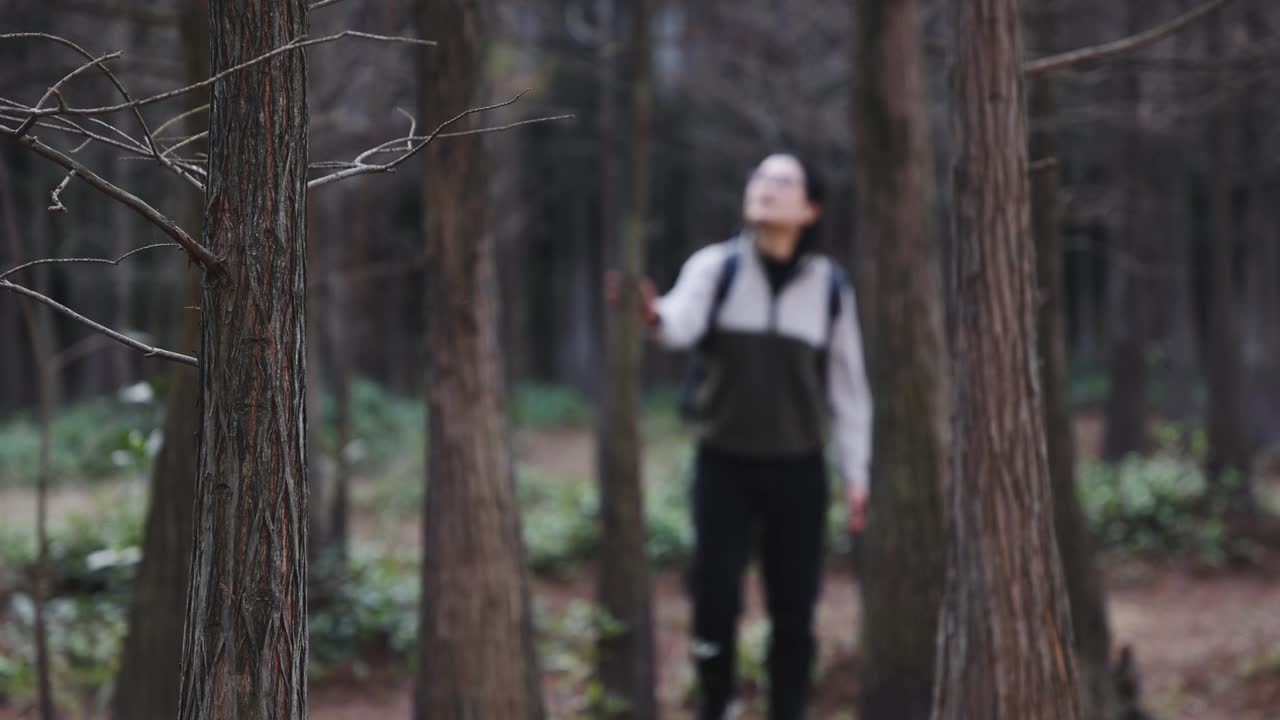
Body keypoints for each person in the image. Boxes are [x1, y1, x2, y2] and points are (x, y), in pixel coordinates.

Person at [609, 152, 872, 719]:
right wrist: (651, 316)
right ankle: (717, 703)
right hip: (723, 464)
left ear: (811, 208)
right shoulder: (717, 267)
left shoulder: (830, 288)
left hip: (800, 469)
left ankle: (788, 709)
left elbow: (850, 391)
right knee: (713, 597)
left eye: (782, 182)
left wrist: (857, 476)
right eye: (758, 178)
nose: (765, 190)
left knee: (795, 609)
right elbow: (678, 322)